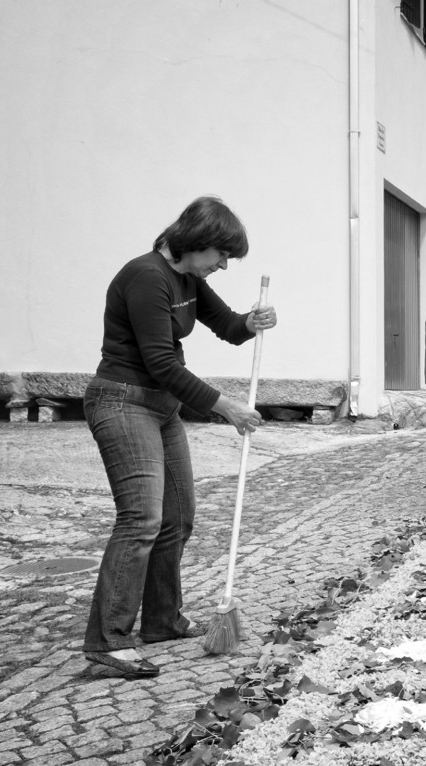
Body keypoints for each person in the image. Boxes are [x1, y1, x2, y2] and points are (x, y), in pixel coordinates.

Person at [82, 196, 277, 678]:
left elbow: (228, 328)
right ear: (198, 242)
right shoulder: (147, 276)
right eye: (221, 255)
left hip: (160, 407)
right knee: (141, 519)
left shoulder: (190, 277)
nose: (224, 265)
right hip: (122, 401)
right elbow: (161, 363)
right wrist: (225, 406)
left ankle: (163, 621)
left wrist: (252, 323)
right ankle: (108, 641)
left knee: (177, 518)